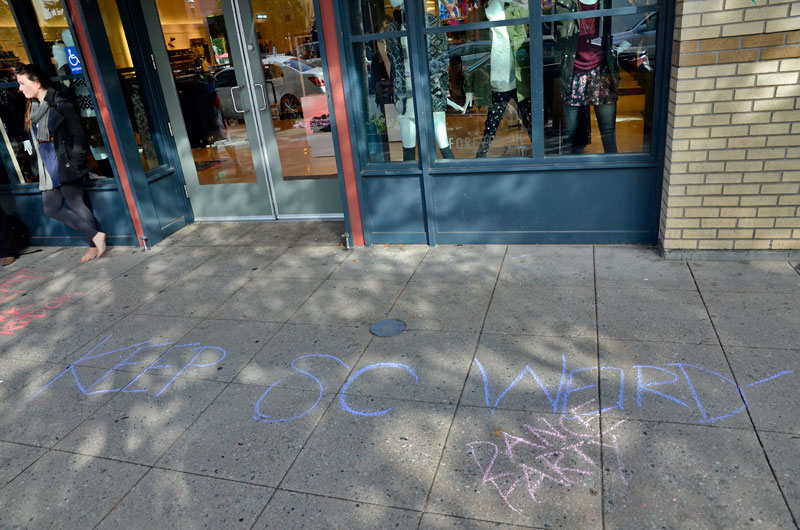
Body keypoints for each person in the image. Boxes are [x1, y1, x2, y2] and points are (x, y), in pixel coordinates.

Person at [15, 63, 106, 262]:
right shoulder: (35, 106)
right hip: (48, 165)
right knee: (51, 208)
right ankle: (96, 236)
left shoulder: (61, 104)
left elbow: (78, 135)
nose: (19, 88)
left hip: (64, 163)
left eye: (22, 83)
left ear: (37, 83)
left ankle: (94, 243)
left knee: (76, 204)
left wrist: (75, 162)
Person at [554, 0, 619, 154]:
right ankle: (568, 173)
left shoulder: (608, 3)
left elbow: (622, 30)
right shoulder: (564, 4)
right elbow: (558, 40)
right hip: (574, 73)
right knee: (570, 135)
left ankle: (614, 170)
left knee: (608, 132)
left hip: (602, 71)